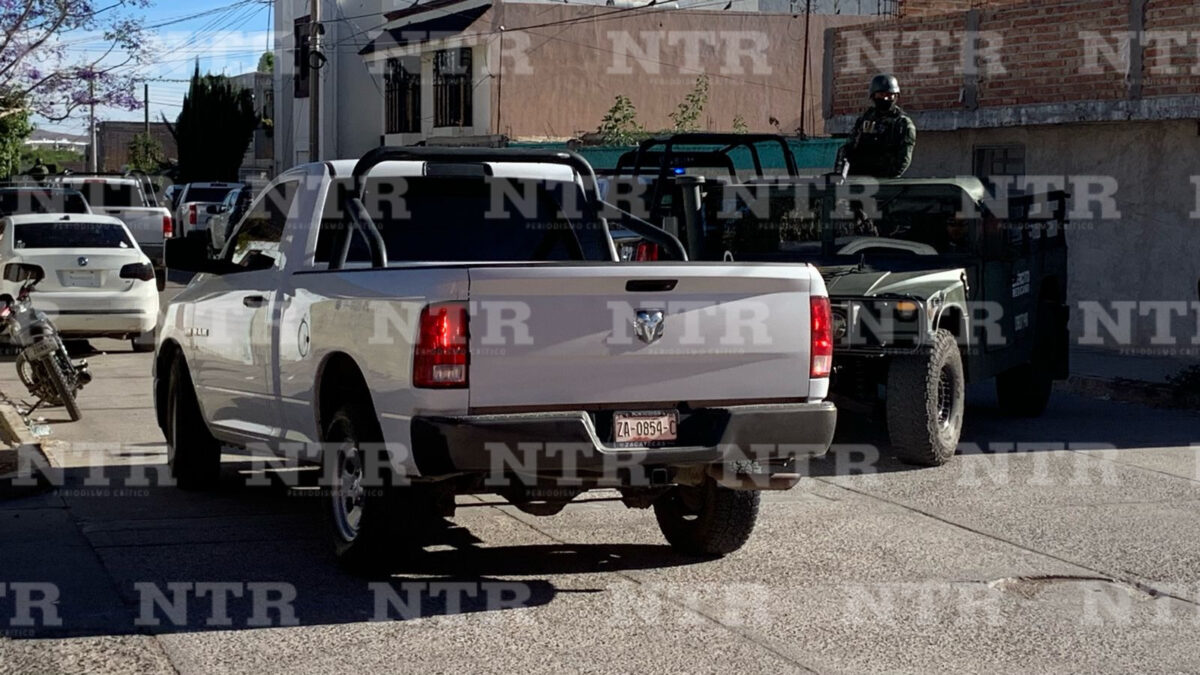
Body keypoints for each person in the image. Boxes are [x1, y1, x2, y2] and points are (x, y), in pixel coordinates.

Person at [836, 74, 917, 179]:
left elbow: (902, 161)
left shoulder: (902, 123)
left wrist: (884, 179)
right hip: (857, 176)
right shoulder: (866, 118)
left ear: (896, 96)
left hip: (883, 179)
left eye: (889, 95)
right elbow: (849, 146)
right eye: (881, 95)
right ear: (873, 96)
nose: (886, 98)